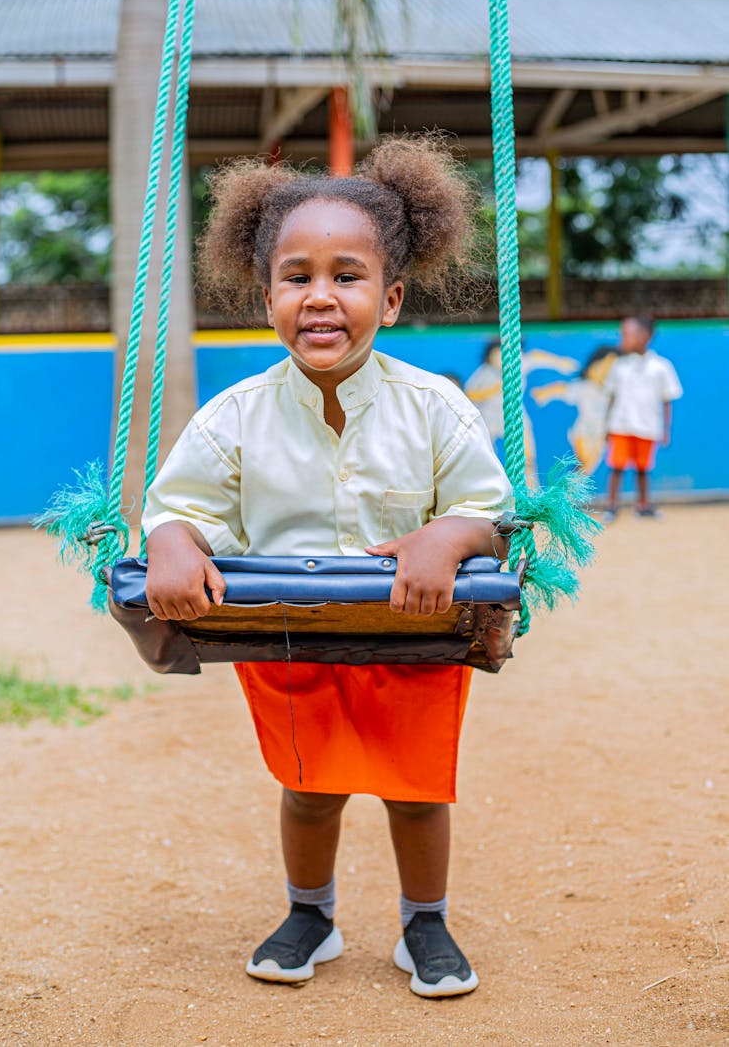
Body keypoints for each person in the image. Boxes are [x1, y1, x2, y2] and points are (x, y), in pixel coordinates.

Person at [141, 135, 513, 998]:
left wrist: (445, 540)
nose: (320, 297)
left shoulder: (435, 408)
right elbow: (181, 509)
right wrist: (169, 541)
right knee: (309, 787)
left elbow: (486, 510)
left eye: (346, 276)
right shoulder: (234, 415)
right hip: (292, 638)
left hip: (413, 631)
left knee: (417, 790)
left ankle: (426, 922)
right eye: (296, 275)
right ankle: (312, 911)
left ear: (390, 294)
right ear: (265, 292)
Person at [464, 338, 578, 488]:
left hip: (515, 415)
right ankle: (486, 490)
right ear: (489, 357)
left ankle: (531, 491)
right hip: (489, 418)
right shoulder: (484, 372)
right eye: (495, 354)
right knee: (485, 455)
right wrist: (493, 389)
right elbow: (470, 393)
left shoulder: (517, 364)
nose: (499, 358)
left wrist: (561, 363)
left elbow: (537, 357)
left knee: (527, 455)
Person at [603, 315, 683, 521]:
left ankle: (644, 505)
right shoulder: (619, 366)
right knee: (617, 466)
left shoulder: (661, 366)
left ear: (644, 336)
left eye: (627, 335)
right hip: (620, 425)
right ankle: (611, 506)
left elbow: (667, 400)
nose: (622, 340)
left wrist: (666, 430)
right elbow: (610, 398)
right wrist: (605, 427)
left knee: (643, 468)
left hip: (648, 427)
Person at [531, 345, 618, 476]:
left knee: (587, 468)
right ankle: (568, 492)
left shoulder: (609, 391)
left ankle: (571, 493)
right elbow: (563, 389)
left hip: (600, 434)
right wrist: (544, 393)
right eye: (602, 365)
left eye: (610, 366)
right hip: (583, 431)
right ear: (593, 365)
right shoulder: (585, 387)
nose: (605, 370)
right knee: (584, 465)